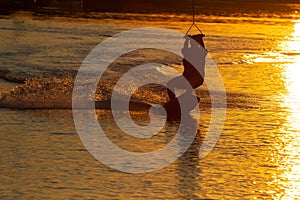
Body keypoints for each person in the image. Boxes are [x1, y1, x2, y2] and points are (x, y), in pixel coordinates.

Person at [167, 34, 207, 100]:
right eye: (191, 42)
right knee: (170, 84)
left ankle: (187, 97)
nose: (192, 44)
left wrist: (200, 38)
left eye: (194, 43)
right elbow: (185, 48)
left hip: (198, 78)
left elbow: (202, 48)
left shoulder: (200, 54)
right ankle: (173, 101)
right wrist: (187, 39)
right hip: (186, 78)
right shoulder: (188, 53)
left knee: (189, 85)